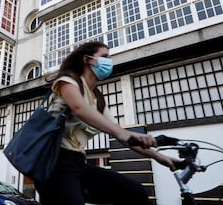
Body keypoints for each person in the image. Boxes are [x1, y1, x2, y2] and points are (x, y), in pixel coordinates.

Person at [35, 41, 179, 205]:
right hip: (54, 164)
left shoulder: (98, 99)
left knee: (135, 193)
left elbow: (120, 134)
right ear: (88, 59)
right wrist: (121, 132)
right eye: (104, 56)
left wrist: (160, 157)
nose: (109, 61)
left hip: (78, 164)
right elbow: (78, 108)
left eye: (110, 57)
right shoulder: (68, 81)